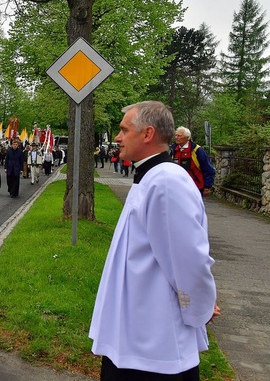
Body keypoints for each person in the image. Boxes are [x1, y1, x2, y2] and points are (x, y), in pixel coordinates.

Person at [90, 101, 219, 380]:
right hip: (135, 330)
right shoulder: (151, 177)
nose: (117, 137)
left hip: (156, 346)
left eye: (124, 129)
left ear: (147, 134)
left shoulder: (166, 181)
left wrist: (200, 306)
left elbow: (188, 261)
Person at [170, 126, 216, 196]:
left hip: (195, 188)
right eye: (176, 135)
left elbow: (208, 169)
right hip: (177, 188)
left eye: (179, 135)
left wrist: (207, 187)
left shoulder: (197, 150)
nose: (176, 137)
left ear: (187, 137)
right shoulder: (173, 150)